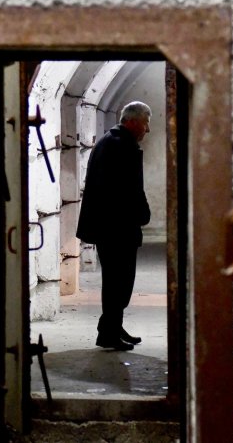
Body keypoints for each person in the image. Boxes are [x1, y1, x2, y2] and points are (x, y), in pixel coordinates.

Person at [76, 101, 152, 351]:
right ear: (132, 121)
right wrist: (142, 214)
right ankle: (108, 333)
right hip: (116, 228)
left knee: (117, 282)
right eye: (145, 122)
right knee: (118, 282)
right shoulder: (120, 146)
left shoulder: (112, 141)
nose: (147, 129)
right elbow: (127, 190)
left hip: (111, 227)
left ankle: (111, 327)